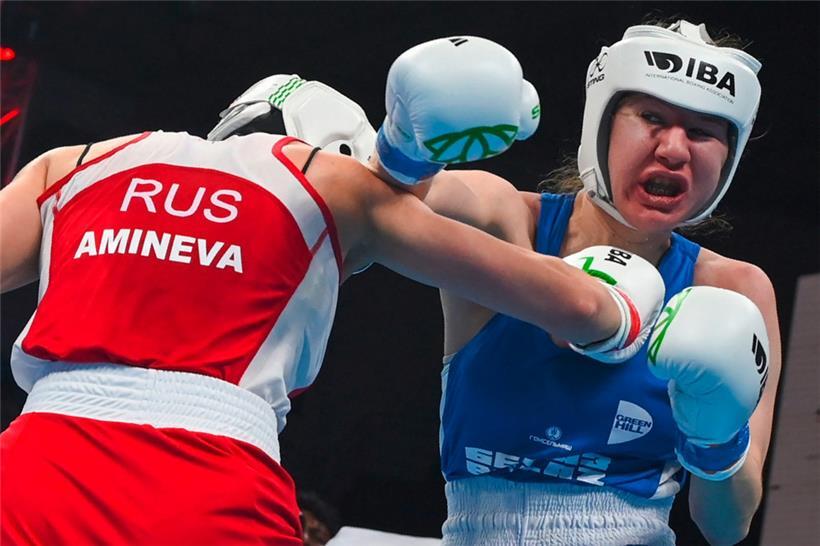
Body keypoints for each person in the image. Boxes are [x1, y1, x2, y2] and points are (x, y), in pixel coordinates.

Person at [0, 40, 663, 544]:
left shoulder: (76, 163)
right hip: (208, 483)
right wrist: (624, 302)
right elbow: (576, 305)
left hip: (30, 472)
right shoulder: (336, 185)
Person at [360, 21, 781, 546]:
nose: (675, 150)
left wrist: (716, 435)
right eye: (651, 117)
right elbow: (379, 198)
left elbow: (726, 526)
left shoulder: (734, 289)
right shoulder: (508, 220)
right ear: (602, 123)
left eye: (702, 131)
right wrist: (404, 150)